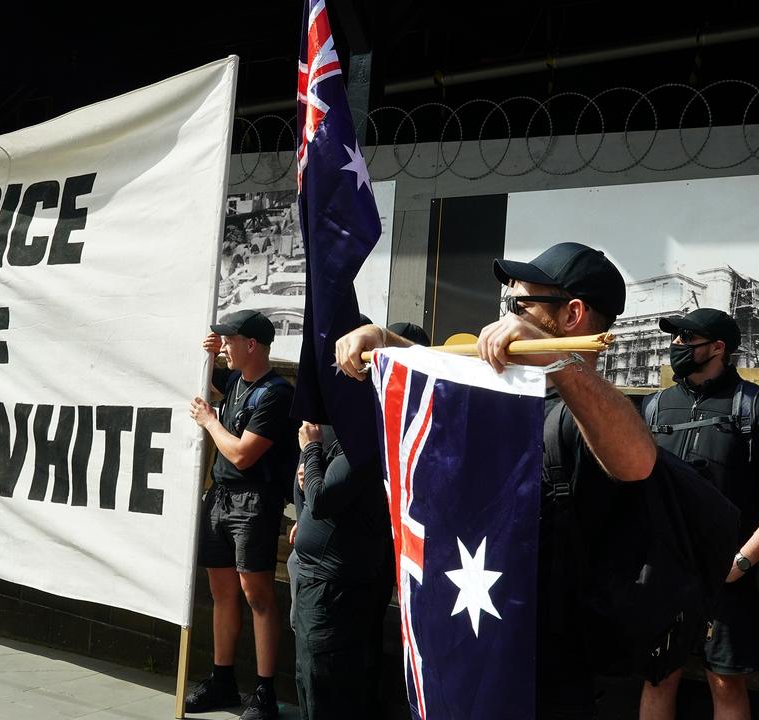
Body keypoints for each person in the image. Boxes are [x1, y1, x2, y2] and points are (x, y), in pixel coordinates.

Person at [336, 242, 658, 719]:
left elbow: (638, 461)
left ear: (572, 315)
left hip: (547, 671)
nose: (506, 316)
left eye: (520, 304)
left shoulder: (586, 411)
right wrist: (385, 340)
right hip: (478, 648)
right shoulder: (514, 397)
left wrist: (561, 362)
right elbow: (449, 374)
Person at [639, 308, 759, 720]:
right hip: (663, 572)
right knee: (657, 676)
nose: (676, 344)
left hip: (727, 574)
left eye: (687, 337)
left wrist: (742, 560)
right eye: (675, 336)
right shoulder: (652, 407)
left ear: (718, 347)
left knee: (726, 681)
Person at [186, 309, 298, 720]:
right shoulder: (234, 379)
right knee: (221, 592)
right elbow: (204, 370)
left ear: (252, 344)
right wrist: (211, 353)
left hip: (253, 502)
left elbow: (241, 453)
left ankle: (265, 691)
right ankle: (222, 679)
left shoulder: (275, 393)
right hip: (220, 498)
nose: (226, 347)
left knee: (258, 595)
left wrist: (210, 421)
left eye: (230, 340)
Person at [291, 420, 392, 720]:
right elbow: (313, 490)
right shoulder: (329, 428)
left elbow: (322, 499)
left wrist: (311, 452)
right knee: (309, 680)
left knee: (328, 688)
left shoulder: (363, 438)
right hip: (314, 582)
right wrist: (309, 474)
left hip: (333, 591)